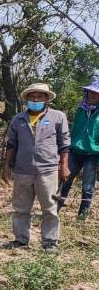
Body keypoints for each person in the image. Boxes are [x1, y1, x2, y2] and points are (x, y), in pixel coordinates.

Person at [1, 82, 69, 249]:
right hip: (23, 170)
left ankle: (50, 242)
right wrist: (5, 167)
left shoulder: (58, 116)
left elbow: (64, 143)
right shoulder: (18, 118)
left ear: (47, 99)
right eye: (32, 96)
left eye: (39, 96)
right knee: (21, 208)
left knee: (50, 208)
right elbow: (11, 144)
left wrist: (64, 165)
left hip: (48, 169)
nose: (36, 99)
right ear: (27, 99)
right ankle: (21, 240)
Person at [58, 78, 99, 219]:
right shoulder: (81, 109)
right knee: (65, 180)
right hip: (75, 151)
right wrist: (66, 149)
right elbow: (73, 129)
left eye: (95, 93)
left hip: (93, 154)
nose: (92, 95)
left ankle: (82, 216)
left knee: (88, 186)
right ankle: (54, 210)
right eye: (90, 92)